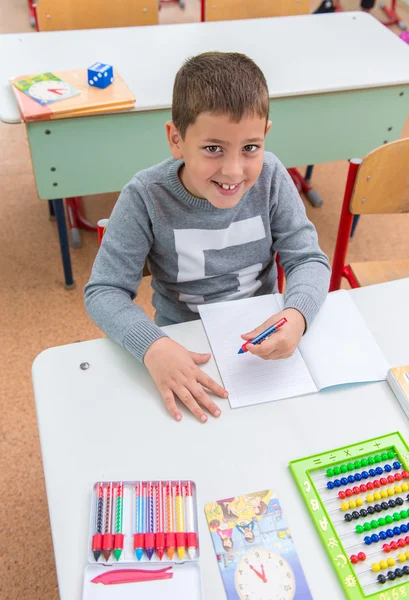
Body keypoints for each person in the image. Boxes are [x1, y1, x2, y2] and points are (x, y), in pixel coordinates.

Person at [84, 52, 331, 423]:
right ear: (176, 139)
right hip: (180, 345)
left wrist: (296, 315)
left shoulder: (273, 177)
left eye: (250, 148)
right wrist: (152, 346)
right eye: (213, 148)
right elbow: (104, 291)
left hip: (264, 342)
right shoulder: (145, 196)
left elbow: (307, 259)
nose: (233, 171)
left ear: (265, 135)